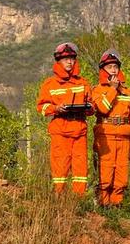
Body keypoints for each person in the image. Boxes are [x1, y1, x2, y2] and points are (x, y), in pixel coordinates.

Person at [36, 42, 93, 196]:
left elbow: (91, 106)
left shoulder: (83, 83)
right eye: (66, 59)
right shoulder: (49, 84)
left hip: (79, 130)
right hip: (60, 130)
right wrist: (56, 108)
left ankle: (78, 201)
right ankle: (59, 198)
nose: (69, 62)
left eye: (72, 58)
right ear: (58, 61)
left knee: (80, 168)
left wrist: (89, 108)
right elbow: (41, 107)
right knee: (60, 166)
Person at [91, 49, 130, 207]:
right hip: (106, 137)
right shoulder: (97, 90)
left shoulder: (128, 93)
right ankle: (103, 208)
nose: (113, 69)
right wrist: (112, 89)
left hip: (124, 138)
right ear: (103, 69)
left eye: (115, 66)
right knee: (105, 173)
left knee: (121, 177)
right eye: (110, 66)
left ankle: (117, 209)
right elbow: (102, 109)